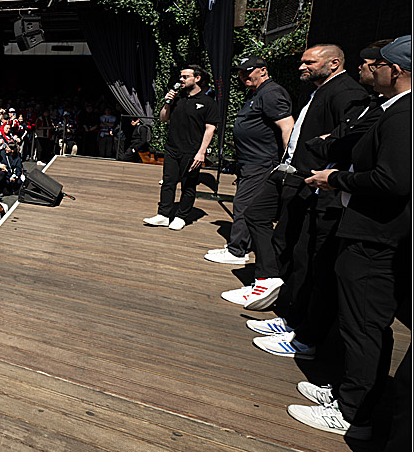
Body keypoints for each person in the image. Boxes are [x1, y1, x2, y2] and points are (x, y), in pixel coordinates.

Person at [287, 35, 410, 450]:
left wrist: (335, 178)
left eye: (376, 66)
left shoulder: (404, 115)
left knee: (364, 326)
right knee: (360, 322)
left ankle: (352, 413)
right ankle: (348, 392)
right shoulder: (393, 111)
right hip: (370, 234)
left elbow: (393, 180)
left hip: (376, 238)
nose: (368, 71)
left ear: (394, 70)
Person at [226, 44, 368, 312]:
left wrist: (323, 154)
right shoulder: (320, 90)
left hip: (311, 177)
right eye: (302, 61)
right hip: (289, 170)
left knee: (294, 240)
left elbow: (350, 136)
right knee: (257, 214)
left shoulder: (346, 92)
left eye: (309, 62)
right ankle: (268, 277)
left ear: (334, 63)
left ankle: (273, 287)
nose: (301, 67)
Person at [205, 57, 293, 265]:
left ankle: (237, 251)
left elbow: (287, 126)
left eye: (248, 71)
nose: (243, 75)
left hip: (261, 162)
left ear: (263, 71)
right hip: (249, 162)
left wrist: (287, 160)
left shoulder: (271, 93)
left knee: (244, 204)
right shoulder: (257, 93)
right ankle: (238, 245)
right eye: (241, 72)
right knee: (245, 203)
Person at [143, 66, 218, 231]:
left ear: (197, 78)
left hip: (192, 150)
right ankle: (163, 215)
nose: (181, 80)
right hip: (172, 148)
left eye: (185, 77)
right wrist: (167, 103)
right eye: (181, 77)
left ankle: (181, 216)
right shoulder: (177, 98)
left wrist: (201, 153)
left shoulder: (208, 102)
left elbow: (210, 129)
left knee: (188, 185)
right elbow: (163, 118)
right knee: (168, 183)